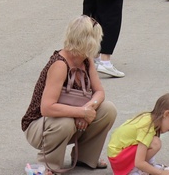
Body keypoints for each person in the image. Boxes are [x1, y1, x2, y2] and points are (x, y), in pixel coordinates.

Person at [21, 16, 117, 174]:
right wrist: (81, 112)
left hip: (72, 118)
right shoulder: (60, 63)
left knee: (108, 109)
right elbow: (47, 108)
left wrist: (87, 108)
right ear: (90, 41)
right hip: (40, 126)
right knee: (65, 123)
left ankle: (85, 158)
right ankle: (48, 165)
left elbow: (99, 92)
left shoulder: (86, 59)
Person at [107, 93, 169, 175]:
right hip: (118, 159)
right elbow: (139, 162)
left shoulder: (149, 118)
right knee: (155, 143)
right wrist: (160, 173)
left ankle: (146, 167)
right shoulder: (147, 128)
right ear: (166, 114)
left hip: (118, 155)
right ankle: (133, 171)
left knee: (153, 141)